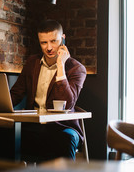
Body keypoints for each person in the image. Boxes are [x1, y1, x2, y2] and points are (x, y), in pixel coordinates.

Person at [10, 19, 87, 162]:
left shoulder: (77, 69)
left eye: (54, 41)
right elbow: (16, 94)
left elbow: (68, 104)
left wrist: (61, 66)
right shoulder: (32, 63)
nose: (49, 48)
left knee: (66, 139)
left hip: (64, 127)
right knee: (3, 133)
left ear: (63, 39)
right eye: (44, 43)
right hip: (34, 125)